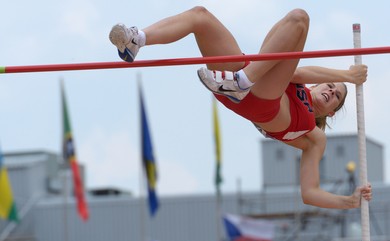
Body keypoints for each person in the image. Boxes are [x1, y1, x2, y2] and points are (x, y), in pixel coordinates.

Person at [109, 6, 371, 209]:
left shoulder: (314, 137)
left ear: (332, 112)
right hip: (239, 85)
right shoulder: (298, 81)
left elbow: (309, 193)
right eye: (328, 86)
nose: (330, 91)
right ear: (315, 86)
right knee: (201, 17)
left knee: (301, 20)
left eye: (336, 96)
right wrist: (346, 75)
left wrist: (349, 201)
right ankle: (137, 41)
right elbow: (303, 72)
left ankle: (242, 82)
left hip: (260, 101)